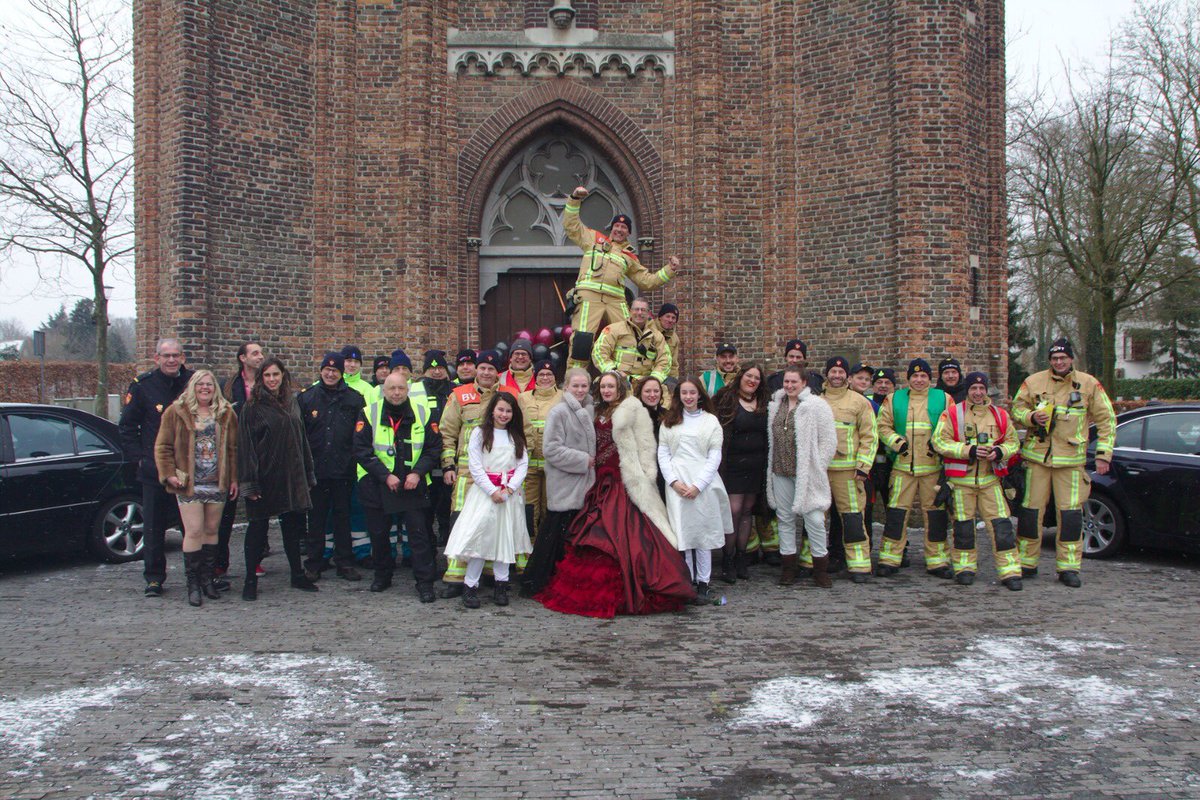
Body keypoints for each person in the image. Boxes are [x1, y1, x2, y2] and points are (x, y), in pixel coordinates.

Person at [537, 372, 695, 617]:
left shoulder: (633, 409)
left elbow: (645, 445)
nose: (607, 390)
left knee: (625, 532)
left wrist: (646, 476)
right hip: (596, 479)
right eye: (603, 386)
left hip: (623, 480)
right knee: (591, 530)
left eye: (611, 386)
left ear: (620, 388)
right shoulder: (593, 410)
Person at [1012, 338, 1115, 587]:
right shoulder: (1034, 381)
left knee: (1070, 516)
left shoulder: (1089, 384)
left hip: (1070, 460)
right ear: (1050, 361)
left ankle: (1068, 567)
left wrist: (1103, 455)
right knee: (1030, 512)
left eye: (1063, 358)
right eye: (1055, 359)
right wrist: (1030, 417)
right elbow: (1015, 409)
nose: (1059, 362)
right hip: (1037, 458)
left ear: (1071, 359)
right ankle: (1026, 561)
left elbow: (1107, 420)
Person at [562, 185, 680, 370]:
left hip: (615, 301)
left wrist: (670, 270)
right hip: (589, 297)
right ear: (611, 228)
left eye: (623, 227)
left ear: (628, 233)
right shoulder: (594, 240)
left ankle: (625, 377)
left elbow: (646, 281)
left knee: (630, 335)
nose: (619, 229)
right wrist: (575, 199)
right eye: (616, 225)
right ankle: (577, 380)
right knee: (581, 341)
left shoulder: (629, 256)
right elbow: (571, 225)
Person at [154, 370, 238, 606]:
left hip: (216, 481)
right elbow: (163, 447)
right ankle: (192, 583)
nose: (205, 388)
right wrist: (169, 474)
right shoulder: (176, 411)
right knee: (193, 531)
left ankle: (207, 579)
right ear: (192, 387)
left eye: (209, 385)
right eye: (200, 384)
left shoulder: (226, 413)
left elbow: (233, 449)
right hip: (189, 483)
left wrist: (233, 477)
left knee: (212, 530)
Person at [931, 372, 1023, 590]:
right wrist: (968, 450)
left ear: (987, 390)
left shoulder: (999, 415)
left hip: (990, 480)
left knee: (1001, 526)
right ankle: (965, 568)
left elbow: (1013, 442)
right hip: (961, 481)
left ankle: (1010, 571)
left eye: (982, 389)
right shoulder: (953, 413)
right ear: (968, 390)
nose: (978, 393)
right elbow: (939, 442)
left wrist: (1000, 452)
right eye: (974, 389)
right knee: (963, 528)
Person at [437, 350, 517, 597]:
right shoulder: (459, 395)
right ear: (476, 370)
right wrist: (448, 465)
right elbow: (447, 432)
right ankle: (457, 578)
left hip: (497, 474)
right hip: (465, 473)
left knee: (495, 522)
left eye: (491, 369)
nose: (486, 373)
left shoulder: (508, 396)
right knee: (463, 521)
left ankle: (492, 576)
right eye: (482, 368)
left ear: (497, 373)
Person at [119, 337, 194, 597]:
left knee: (191, 527)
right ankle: (154, 578)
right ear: (157, 358)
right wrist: (139, 458)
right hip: (154, 471)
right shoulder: (143, 386)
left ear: (183, 358)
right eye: (166, 356)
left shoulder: (193, 382)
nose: (172, 360)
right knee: (153, 527)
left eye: (176, 355)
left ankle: (194, 575)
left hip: (188, 469)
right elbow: (128, 426)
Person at [237, 358, 317, 600]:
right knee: (258, 529)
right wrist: (249, 483)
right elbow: (246, 447)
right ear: (261, 378)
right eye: (267, 375)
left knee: (292, 528)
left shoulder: (292, 403)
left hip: (291, 475)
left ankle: (297, 573)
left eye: (276, 374)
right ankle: (250, 579)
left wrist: (307, 473)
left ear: (283, 376)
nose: (272, 379)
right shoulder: (252, 407)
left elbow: (301, 438)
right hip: (265, 476)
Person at [355, 372, 439, 600]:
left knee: (419, 535)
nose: (396, 393)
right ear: (383, 390)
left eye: (401, 388)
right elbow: (362, 451)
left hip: (413, 483)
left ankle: (424, 582)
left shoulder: (423, 413)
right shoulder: (369, 413)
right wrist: (385, 476)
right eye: (391, 388)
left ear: (408, 389)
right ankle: (382, 575)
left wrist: (418, 473)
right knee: (379, 534)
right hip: (378, 483)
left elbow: (433, 449)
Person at [443, 392, 531, 609]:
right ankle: (470, 585)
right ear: (492, 410)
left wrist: (510, 489)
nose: (504, 414)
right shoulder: (480, 434)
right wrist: (492, 491)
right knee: (481, 538)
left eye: (508, 411)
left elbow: (522, 465)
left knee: (505, 538)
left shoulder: (515, 436)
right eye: (500, 409)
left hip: (509, 496)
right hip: (486, 494)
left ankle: (502, 584)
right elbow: (475, 466)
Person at [520, 368, 596, 597]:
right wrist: (583, 460)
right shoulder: (559, 412)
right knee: (557, 535)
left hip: (586, 483)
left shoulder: (591, 410)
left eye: (584, 386)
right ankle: (550, 582)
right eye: (576, 386)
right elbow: (550, 449)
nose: (580, 390)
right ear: (566, 387)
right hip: (565, 483)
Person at [875, 358, 952, 579]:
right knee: (897, 512)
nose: (919, 380)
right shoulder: (894, 398)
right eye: (915, 376)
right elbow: (883, 425)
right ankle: (890, 558)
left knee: (935, 514)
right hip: (902, 466)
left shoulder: (944, 398)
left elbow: (952, 425)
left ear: (930, 379)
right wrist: (896, 443)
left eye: (923, 376)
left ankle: (937, 560)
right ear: (908, 378)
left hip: (932, 467)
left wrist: (938, 443)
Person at [658, 379, 731, 604]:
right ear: (678, 396)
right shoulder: (669, 422)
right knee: (684, 533)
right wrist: (673, 481)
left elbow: (714, 455)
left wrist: (699, 484)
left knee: (702, 533)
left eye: (692, 393)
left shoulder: (710, 421)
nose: (688, 397)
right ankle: (687, 580)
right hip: (678, 483)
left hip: (703, 483)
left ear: (699, 395)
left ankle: (703, 582)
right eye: (684, 393)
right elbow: (663, 453)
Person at [765, 365, 837, 587]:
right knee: (785, 519)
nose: (789, 386)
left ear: (804, 383)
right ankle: (788, 569)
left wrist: (817, 464)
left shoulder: (817, 406)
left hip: (805, 473)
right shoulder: (776, 405)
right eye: (786, 382)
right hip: (780, 471)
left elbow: (829, 441)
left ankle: (820, 569)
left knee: (814, 519)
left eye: (794, 382)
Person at [297, 352, 365, 582]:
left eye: (335, 370)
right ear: (321, 370)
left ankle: (344, 562)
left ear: (341, 373)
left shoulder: (355, 399)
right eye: (327, 369)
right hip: (316, 469)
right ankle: (314, 563)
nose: (330, 373)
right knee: (315, 519)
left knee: (342, 517)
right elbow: (301, 435)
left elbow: (360, 435)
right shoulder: (307, 398)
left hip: (343, 469)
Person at [820, 356, 878, 583]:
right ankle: (811, 562)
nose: (836, 376)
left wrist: (863, 467)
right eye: (832, 371)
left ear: (847, 376)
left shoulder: (859, 402)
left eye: (840, 372)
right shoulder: (816, 401)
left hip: (848, 473)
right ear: (827, 374)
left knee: (853, 519)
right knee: (814, 519)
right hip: (821, 472)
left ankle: (859, 566)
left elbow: (870, 437)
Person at [712, 362, 769, 582]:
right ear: (740, 376)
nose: (752, 381)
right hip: (733, 464)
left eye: (756, 378)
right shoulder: (726, 399)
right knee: (733, 511)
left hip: (756, 465)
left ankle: (741, 558)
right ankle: (727, 558)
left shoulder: (764, 401)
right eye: (749, 376)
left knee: (747, 511)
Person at [217, 340, 264, 584]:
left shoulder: (266, 384)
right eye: (255, 353)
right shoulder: (228, 387)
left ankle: (255, 559)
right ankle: (219, 564)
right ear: (242, 358)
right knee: (227, 512)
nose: (260, 356)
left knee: (258, 512)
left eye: (261, 353)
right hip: (234, 453)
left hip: (259, 454)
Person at [518, 359, 562, 537]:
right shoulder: (523, 398)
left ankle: (547, 549)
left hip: (554, 466)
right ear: (536, 376)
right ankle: (529, 547)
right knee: (529, 508)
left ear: (555, 377)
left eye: (549, 374)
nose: (545, 377)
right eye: (541, 374)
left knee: (550, 507)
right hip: (529, 465)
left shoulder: (564, 397)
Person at [420, 349, 455, 547]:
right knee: (428, 504)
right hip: (426, 455)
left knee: (447, 502)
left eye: (440, 368)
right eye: (432, 369)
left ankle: (445, 533)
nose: (436, 372)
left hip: (450, 456)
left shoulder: (454, 389)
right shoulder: (417, 390)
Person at [592, 296, 671, 381]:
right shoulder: (613, 330)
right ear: (630, 311)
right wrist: (613, 372)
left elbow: (665, 361)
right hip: (618, 380)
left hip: (644, 383)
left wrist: (653, 380)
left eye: (643, 310)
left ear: (648, 313)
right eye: (636, 309)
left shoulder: (657, 336)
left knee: (664, 393)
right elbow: (598, 352)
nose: (639, 313)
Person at [647, 302, 681, 383]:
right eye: (667, 316)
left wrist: (673, 380)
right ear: (660, 317)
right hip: (646, 374)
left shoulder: (674, 338)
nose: (670, 320)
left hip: (664, 378)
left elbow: (673, 364)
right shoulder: (648, 329)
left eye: (673, 318)